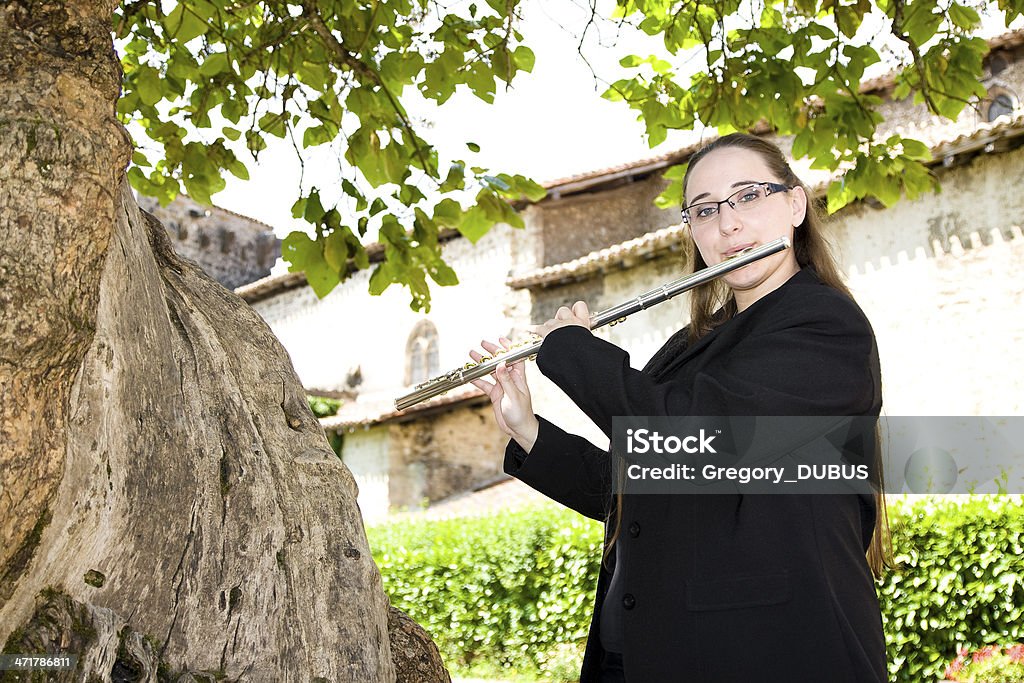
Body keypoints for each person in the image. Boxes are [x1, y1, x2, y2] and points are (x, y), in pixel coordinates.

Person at [469, 133, 890, 683]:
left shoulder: (823, 325)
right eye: (706, 210)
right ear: (693, 230)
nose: (728, 224)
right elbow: (644, 490)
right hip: (648, 653)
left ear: (794, 204)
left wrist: (575, 354)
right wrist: (528, 430)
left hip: (765, 653)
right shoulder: (688, 345)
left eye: (749, 196)